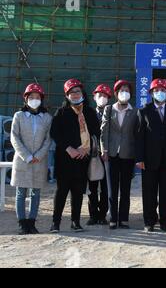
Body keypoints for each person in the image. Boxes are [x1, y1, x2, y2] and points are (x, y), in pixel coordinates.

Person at [50, 79, 100, 233]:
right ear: (67, 95)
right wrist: (68, 148)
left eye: (77, 91)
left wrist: (87, 149)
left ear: (83, 93)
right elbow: (55, 133)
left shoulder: (90, 112)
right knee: (61, 192)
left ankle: (75, 222)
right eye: (71, 92)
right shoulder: (61, 112)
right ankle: (55, 223)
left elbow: (96, 133)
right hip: (65, 159)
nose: (75, 94)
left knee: (78, 192)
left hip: (83, 159)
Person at [136, 79, 166, 232]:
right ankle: (149, 221)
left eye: (163, 90)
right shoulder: (144, 111)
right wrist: (139, 158)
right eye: (156, 91)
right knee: (149, 191)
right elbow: (139, 137)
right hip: (149, 160)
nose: (160, 93)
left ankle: (165, 220)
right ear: (151, 93)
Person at [10, 83, 52, 235]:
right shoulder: (19, 116)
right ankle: (22, 223)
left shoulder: (47, 118)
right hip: (22, 160)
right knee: (21, 193)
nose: (34, 100)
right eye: (31, 97)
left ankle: (32, 222)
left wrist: (39, 155)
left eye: (37, 97)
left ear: (41, 99)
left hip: (39, 161)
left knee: (36, 193)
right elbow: (14, 137)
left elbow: (48, 139)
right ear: (26, 99)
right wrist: (26, 155)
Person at [100, 79, 138, 230]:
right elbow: (104, 131)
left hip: (128, 155)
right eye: (121, 90)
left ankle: (124, 219)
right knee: (112, 188)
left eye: (127, 90)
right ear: (116, 93)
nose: (124, 93)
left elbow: (136, 134)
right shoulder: (109, 109)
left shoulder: (135, 112)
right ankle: (113, 218)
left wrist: (137, 155)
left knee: (126, 189)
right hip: (111, 155)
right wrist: (104, 150)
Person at [86, 84, 112, 226]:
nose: (102, 98)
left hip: (107, 155)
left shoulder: (112, 112)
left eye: (105, 96)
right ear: (94, 97)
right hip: (92, 155)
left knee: (105, 187)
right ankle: (93, 215)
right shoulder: (89, 113)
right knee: (92, 186)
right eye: (99, 95)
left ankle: (102, 215)